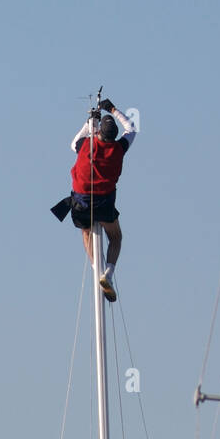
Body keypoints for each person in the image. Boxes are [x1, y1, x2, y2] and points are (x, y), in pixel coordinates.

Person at [68, 98, 135, 302]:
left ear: (98, 134)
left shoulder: (86, 145)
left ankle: (97, 269)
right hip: (104, 203)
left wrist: (90, 123)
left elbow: (73, 143)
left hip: (81, 201)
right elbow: (131, 128)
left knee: (86, 233)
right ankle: (108, 273)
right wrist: (113, 109)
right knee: (115, 237)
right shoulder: (119, 149)